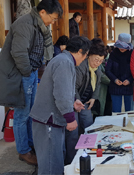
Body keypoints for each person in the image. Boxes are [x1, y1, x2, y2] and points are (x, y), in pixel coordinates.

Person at [0, 0, 63, 165]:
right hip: (21, 74)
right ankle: (23, 151)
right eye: (53, 17)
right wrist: (28, 72)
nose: (53, 22)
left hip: (30, 73)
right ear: (42, 12)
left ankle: (30, 145)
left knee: (30, 112)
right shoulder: (25, 24)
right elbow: (19, 53)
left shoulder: (39, 25)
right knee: (22, 114)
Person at [29, 36, 90, 174]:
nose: (84, 59)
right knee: (51, 164)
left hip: (50, 119)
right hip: (48, 120)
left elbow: (64, 88)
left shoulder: (65, 60)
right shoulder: (64, 62)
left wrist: (74, 100)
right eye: (86, 55)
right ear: (80, 51)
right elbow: (61, 94)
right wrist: (70, 118)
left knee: (56, 160)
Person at [64, 38, 106, 164]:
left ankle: (89, 156)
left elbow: (98, 85)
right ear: (88, 56)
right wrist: (76, 101)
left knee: (89, 128)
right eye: (96, 60)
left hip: (86, 102)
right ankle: (71, 161)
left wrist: (94, 97)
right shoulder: (81, 67)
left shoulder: (97, 70)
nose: (98, 63)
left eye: (101, 61)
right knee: (73, 133)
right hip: (73, 103)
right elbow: (73, 87)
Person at [106, 33, 134, 112]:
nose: (122, 48)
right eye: (120, 46)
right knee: (116, 112)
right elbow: (108, 70)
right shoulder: (113, 54)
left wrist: (129, 80)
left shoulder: (132, 54)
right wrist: (115, 80)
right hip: (115, 86)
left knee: (130, 112)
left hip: (129, 86)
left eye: (124, 47)